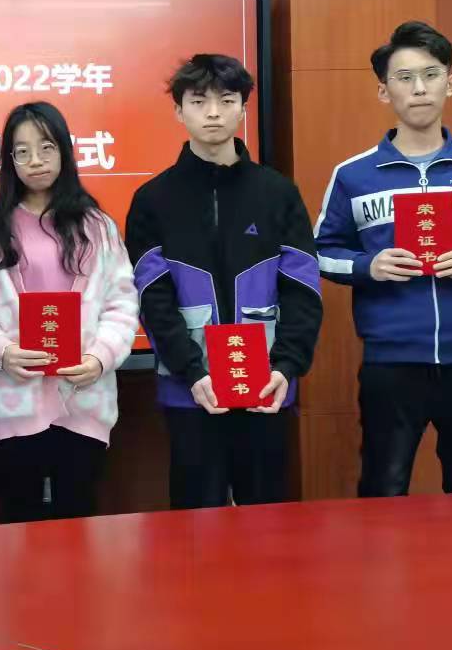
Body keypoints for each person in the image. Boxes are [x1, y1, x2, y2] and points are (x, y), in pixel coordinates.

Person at [314, 21, 452, 496]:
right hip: (391, 363)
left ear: (450, 83)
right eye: (404, 78)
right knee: (383, 489)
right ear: (383, 90)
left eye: (431, 75)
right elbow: (320, 254)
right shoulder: (353, 175)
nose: (419, 88)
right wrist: (368, 266)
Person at [125, 54, 322, 510]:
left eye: (226, 100)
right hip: (190, 388)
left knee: (267, 519)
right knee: (196, 524)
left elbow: (303, 290)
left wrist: (285, 366)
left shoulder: (278, 192)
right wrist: (191, 371)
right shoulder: (153, 199)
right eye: (199, 101)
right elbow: (152, 298)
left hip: (267, 387)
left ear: (243, 108)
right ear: (179, 111)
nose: (213, 112)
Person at [0, 102, 139, 522]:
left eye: (45, 147)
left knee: (79, 522)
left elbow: (122, 301)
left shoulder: (97, 227)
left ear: (64, 151)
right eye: (22, 152)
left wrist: (100, 357)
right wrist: (2, 351)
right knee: (17, 524)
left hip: (84, 397)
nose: (35, 160)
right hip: (12, 400)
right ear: (9, 161)